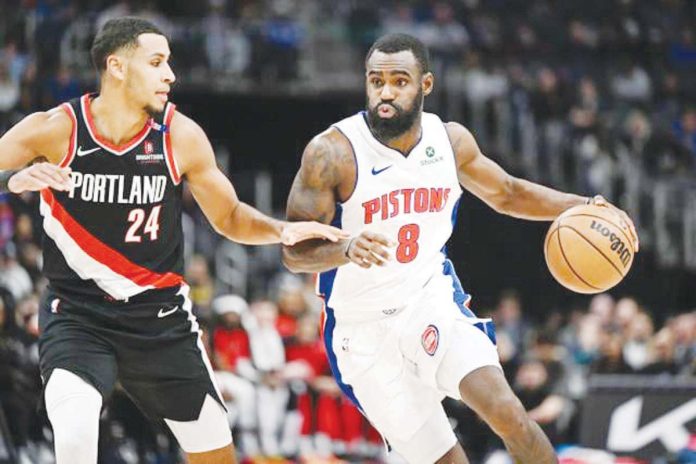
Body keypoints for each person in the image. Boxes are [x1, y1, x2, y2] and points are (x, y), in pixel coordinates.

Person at [0, 17, 347, 464]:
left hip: (160, 320)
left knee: (215, 454)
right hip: (78, 316)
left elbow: (229, 217)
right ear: (117, 67)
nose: (171, 75)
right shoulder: (57, 129)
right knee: (74, 439)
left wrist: (281, 229)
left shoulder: (179, 136)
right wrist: (13, 180)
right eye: (157, 62)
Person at [282, 33, 639, 464]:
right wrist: (346, 249)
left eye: (399, 80)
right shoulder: (332, 153)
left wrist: (583, 206)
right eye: (376, 81)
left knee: (509, 414)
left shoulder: (449, 142)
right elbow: (294, 252)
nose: (386, 92)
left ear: (425, 85)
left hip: (429, 301)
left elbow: (506, 192)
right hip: (362, 330)